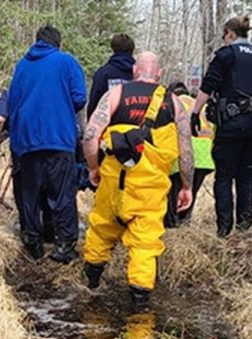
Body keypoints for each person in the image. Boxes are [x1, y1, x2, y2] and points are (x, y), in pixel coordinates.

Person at [82, 52, 194, 307]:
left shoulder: (115, 95)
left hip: (113, 183)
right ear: (159, 74)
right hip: (150, 191)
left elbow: (90, 136)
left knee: (100, 230)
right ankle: (140, 309)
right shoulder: (174, 103)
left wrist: (93, 168)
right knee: (145, 245)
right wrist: (186, 186)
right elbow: (186, 149)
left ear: (134, 71)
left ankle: (90, 285)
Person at [189, 16, 252, 237]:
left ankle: (224, 229)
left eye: (225, 36)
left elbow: (208, 85)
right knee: (246, 175)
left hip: (231, 125)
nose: (224, 40)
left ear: (230, 34)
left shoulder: (226, 55)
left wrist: (195, 113)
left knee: (224, 176)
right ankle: (244, 226)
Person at [8, 25, 87, 263]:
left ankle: (33, 240)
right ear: (58, 44)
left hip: (26, 141)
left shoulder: (21, 66)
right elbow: (79, 97)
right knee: (62, 194)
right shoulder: (66, 62)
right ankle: (64, 246)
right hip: (58, 139)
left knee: (31, 193)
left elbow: (12, 102)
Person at [0, 88, 54, 242]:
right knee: (49, 193)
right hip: (52, 148)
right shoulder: (48, 91)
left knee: (26, 195)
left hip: (24, 151)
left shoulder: (11, 92)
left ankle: (31, 239)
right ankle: (50, 235)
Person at [163, 81, 215, 228]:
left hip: (182, 156)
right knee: (190, 193)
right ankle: (185, 225)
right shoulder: (200, 106)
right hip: (205, 158)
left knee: (174, 196)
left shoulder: (173, 104)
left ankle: (172, 227)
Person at [86, 33, 135, 119]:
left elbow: (94, 102)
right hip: (135, 125)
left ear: (113, 49)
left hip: (109, 125)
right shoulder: (138, 74)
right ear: (132, 50)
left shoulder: (103, 73)